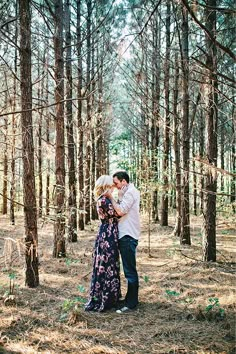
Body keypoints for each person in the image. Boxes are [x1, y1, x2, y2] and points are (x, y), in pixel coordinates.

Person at [105, 171, 140, 313]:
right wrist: (116, 194)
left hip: (128, 235)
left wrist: (110, 197)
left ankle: (131, 304)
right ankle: (129, 299)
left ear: (124, 181)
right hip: (124, 234)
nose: (116, 186)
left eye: (117, 183)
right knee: (127, 270)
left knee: (130, 271)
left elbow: (121, 211)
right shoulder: (124, 192)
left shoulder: (131, 192)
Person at [85, 175, 121, 312]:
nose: (113, 186)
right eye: (111, 184)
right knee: (106, 264)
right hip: (108, 234)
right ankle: (104, 299)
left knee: (109, 264)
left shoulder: (104, 199)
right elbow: (118, 214)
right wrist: (114, 199)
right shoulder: (104, 200)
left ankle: (110, 297)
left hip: (108, 232)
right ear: (106, 185)